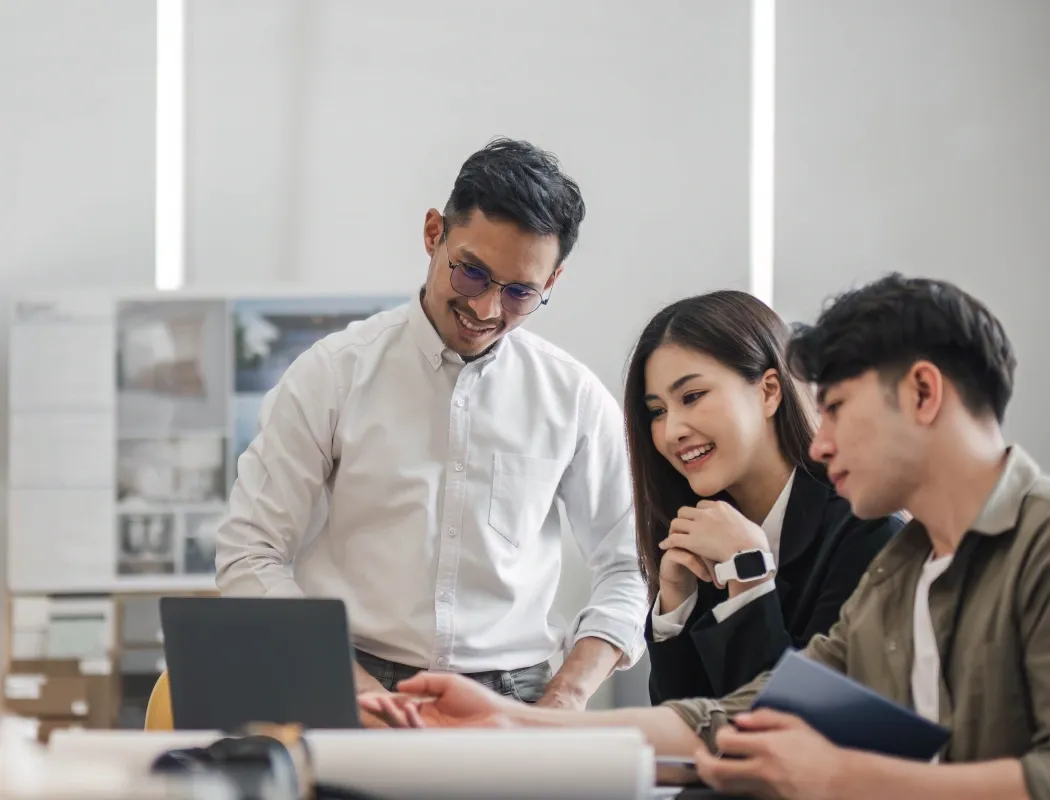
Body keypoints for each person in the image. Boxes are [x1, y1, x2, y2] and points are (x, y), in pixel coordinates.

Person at [363, 274, 1048, 800]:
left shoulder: (1028, 546)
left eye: (835, 408)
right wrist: (512, 723)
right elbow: (735, 717)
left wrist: (841, 775)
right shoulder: (900, 576)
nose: (825, 440)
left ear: (924, 393)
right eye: (659, 411)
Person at [215, 138, 648, 713]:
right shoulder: (333, 375)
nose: (488, 309)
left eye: (520, 292)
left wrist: (565, 697)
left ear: (552, 283)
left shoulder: (572, 397)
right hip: (353, 676)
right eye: (471, 274)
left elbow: (631, 563)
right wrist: (343, 679)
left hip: (517, 696)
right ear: (432, 234)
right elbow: (250, 553)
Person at [624, 292, 901, 702]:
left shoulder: (868, 533)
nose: (671, 431)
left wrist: (748, 577)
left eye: (692, 396)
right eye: (657, 411)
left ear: (769, 391)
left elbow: (799, 724)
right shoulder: (699, 539)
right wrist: (674, 607)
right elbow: (683, 739)